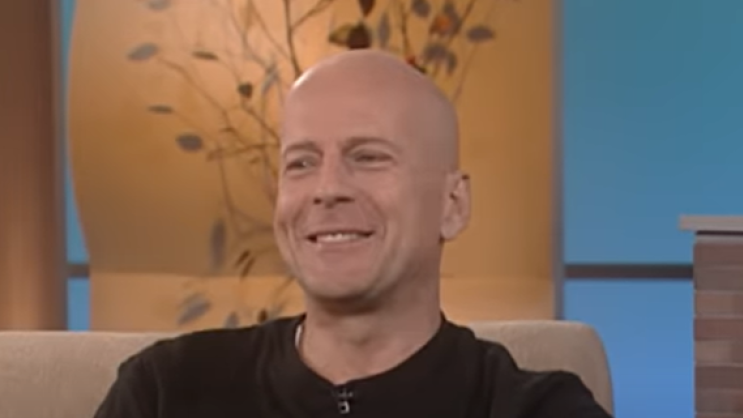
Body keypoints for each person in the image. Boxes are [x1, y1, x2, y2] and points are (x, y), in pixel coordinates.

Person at [93, 50, 613, 418]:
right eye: (301, 163)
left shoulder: (536, 409)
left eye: (368, 157)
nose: (327, 190)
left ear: (452, 206)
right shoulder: (164, 391)